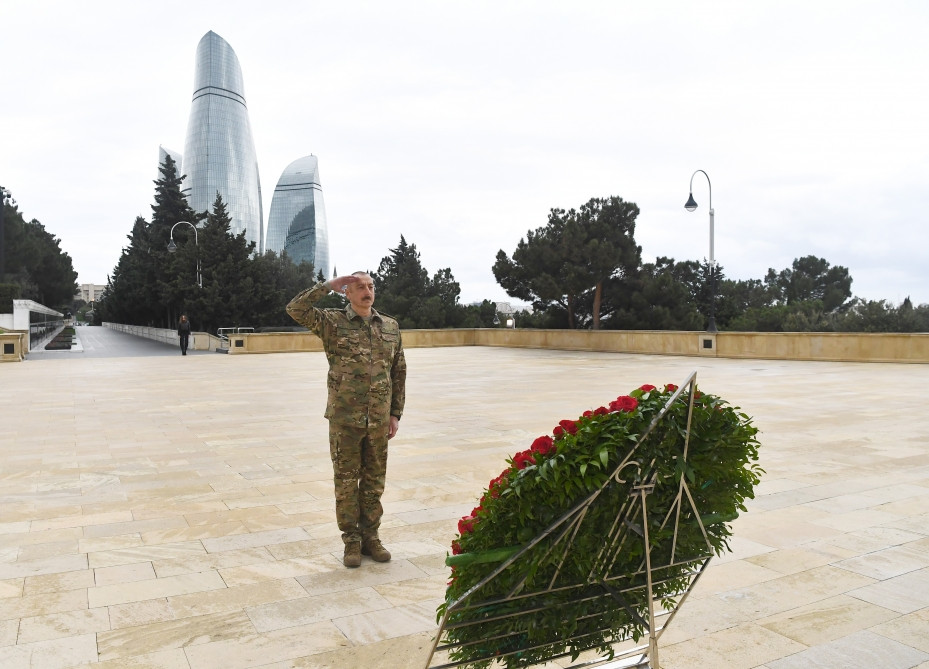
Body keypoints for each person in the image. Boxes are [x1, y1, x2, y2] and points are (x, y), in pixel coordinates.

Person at [286, 272, 406, 568]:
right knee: (346, 482)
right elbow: (295, 308)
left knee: (374, 481)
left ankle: (371, 537)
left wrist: (395, 413)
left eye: (371, 286)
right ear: (347, 293)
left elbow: (398, 371)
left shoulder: (390, 326)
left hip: (378, 419)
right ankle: (351, 540)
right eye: (360, 287)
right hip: (345, 419)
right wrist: (327, 286)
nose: (367, 291)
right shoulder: (333, 322)